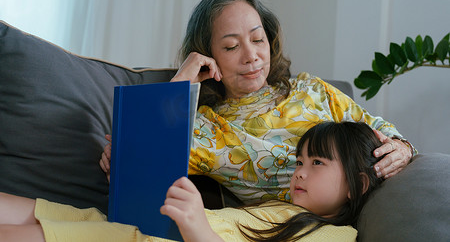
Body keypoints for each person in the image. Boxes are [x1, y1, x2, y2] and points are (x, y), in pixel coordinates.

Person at [100, 0, 416, 204]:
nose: (251, 56)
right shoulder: (206, 129)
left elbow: (381, 131)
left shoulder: (312, 89)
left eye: (257, 39)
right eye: (231, 47)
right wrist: (182, 78)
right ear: (208, 55)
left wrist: (401, 147)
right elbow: (137, 162)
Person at [0, 121, 384, 242]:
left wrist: (199, 226)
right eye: (300, 160)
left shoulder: (336, 236)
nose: (300, 170)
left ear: (358, 184)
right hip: (138, 226)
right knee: (21, 209)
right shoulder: (280, 207)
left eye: (317, 162)